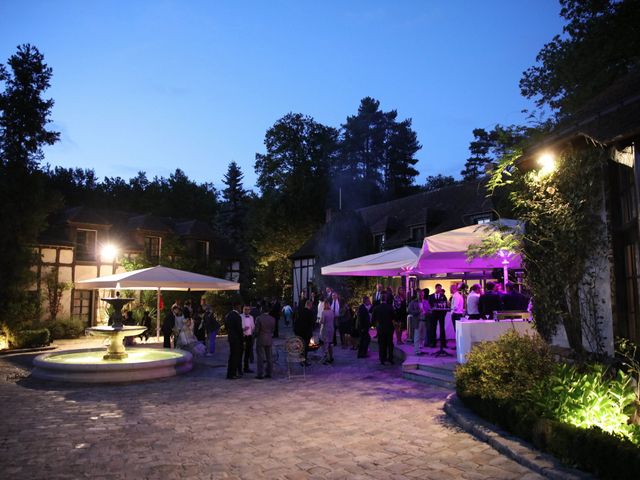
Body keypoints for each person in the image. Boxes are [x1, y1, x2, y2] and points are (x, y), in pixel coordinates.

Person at [373, 293, 395, 365]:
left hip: (380, 328)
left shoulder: (376, 308)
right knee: (390, 344)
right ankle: (390, 358)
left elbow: (373, 319)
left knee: (382, 344)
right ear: (386, 299)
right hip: (389, 328)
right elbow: (394, 317)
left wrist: (376, 324)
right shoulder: (390, 307)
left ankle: (382, 359)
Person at [254, 308, 276, 379]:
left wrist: (254, 335)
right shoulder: (272, 319)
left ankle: (260, 374)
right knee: (269, 357)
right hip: (269, 338)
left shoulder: (259, 318)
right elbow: (273, 330)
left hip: (261, 338)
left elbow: (257, 330)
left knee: (260, 357)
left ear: (261, 310)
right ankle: (269, 373)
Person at [224, 303, 244, 379]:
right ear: (237, 308)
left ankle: (229, 373)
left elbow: (226, 327)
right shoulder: (237, 316)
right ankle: (233, 374)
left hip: (231, 337)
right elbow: (239, 329)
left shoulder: (228, 315)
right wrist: (242, 339)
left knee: (231, 356)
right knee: (235, 356)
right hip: (237, 339)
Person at [294, 300, 315, 365]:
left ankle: (300, 358)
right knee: (305, 347)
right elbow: (311, 323)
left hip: (298, 331)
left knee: (300, 345)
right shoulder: (310, 312)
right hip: (305, 332)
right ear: (309, 305)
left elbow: (295, 319)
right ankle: (304, 361)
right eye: (311, 305)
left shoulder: (300, 311)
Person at [427, 284, 448, 348]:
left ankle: (443, 344)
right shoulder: (430, 296)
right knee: (433, 328)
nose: (439, 289)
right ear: (435, 288)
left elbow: (446, 305)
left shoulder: (443, 296)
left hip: (441, 314)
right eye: (438, 288)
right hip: (433, 314)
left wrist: (444, 314)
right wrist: (430, 312)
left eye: (440, 288)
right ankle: (433, 343)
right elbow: (428, 306)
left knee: (442, 328)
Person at [241, 305, 255, 374]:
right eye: (245, 309)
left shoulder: (251, 317)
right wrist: (243, 329)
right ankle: (239, 368)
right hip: (243, 337)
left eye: (248, 309)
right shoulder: (240, 316)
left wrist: (252, 332)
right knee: (241, 353)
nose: (247, 310)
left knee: (247, 353)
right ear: (243, 310)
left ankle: (246, 368)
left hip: (249, 337)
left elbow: (253, 326)